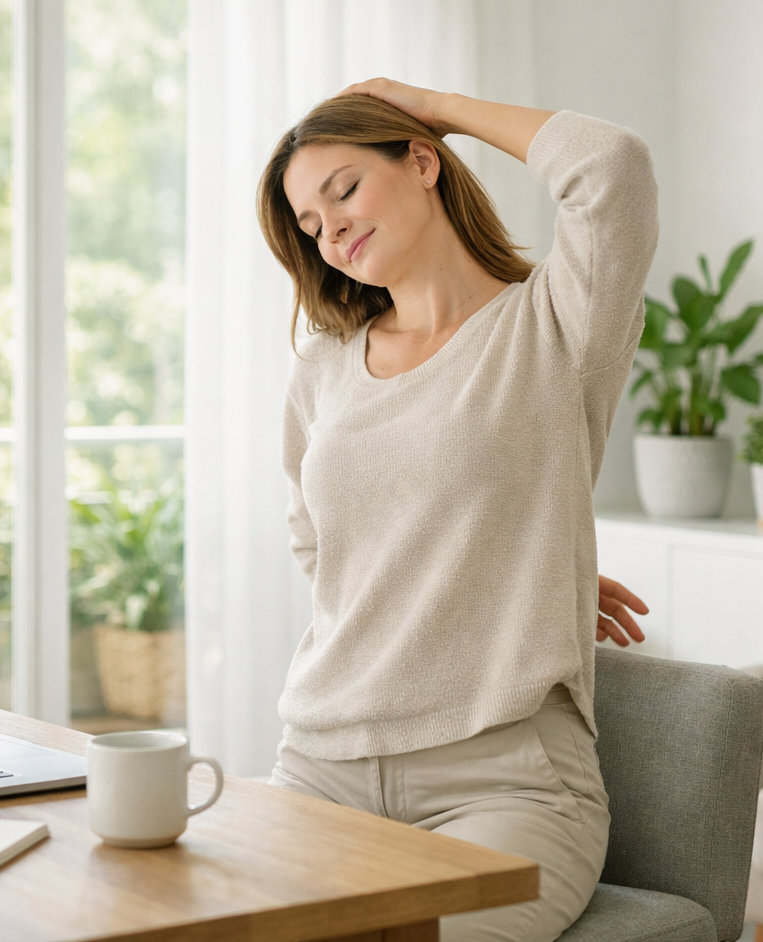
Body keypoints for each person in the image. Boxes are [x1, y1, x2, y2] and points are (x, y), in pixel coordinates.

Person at [257, 79, 658, 942]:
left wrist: (431, 102)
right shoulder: (323, 369)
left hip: (504, 787)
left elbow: (612, 169)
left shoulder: (554, 326)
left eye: (345, 191)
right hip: (319, 767)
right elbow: (322, 550)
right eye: (313, 226)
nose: (334, 231)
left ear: (423, 162)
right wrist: (495, 574)